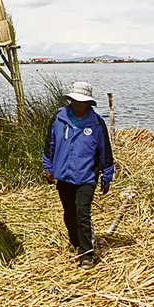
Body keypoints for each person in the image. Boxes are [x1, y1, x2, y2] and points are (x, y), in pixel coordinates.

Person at [42, 81, 115, 269]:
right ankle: (76, 242)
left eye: (82, 102)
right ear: (71, 100)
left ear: (88, 103)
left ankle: (87, 254)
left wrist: (106, 177)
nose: (78, 105)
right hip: (64, 175)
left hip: (86, 176)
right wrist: (48, 168)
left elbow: (105, 152)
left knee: (82, 213)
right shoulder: (59, 118)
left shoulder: (97, 123)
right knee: (69, 213)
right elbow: (49, 145)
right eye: (75, 101)